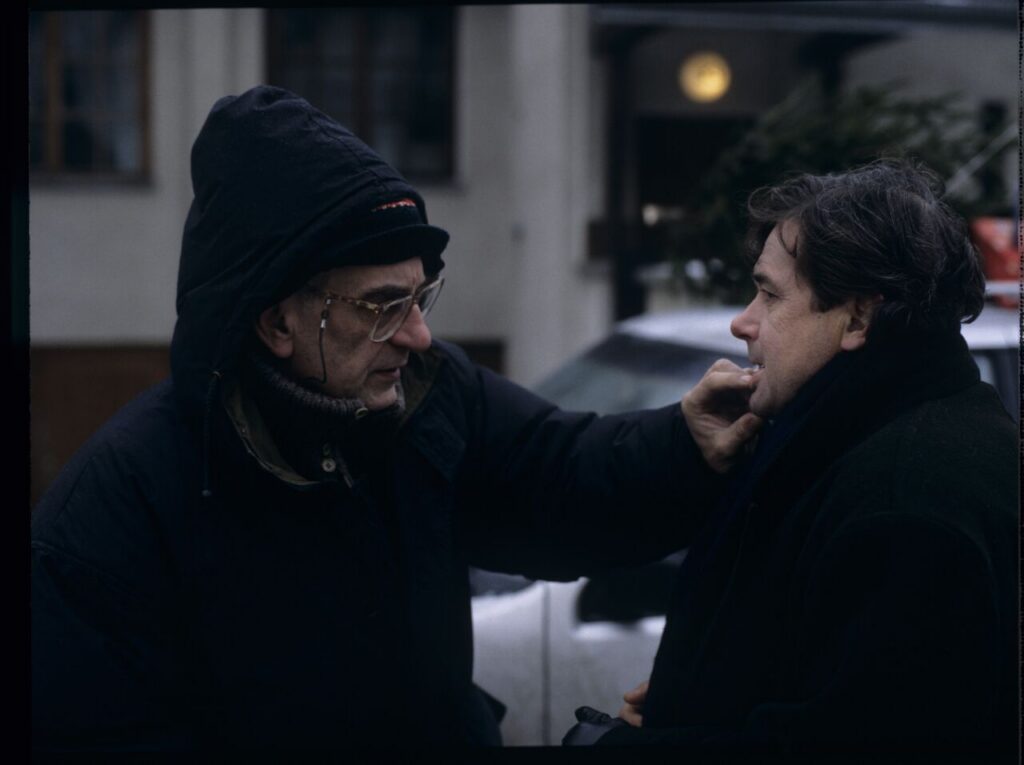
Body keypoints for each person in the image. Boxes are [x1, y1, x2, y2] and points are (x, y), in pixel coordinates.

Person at [30, 85, 762, 750]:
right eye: (382, 306)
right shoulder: (117, 513)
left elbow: (562, 474)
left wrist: (682, 443)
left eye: (420, 297)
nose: (417, 335)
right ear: (278, 322)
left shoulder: (428, 397)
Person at [562, 159, 1018, 758]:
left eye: (770, 295)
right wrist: (692, 699)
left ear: (857, 317)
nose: (742, 322)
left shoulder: (905, 504)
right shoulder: (836, 439)